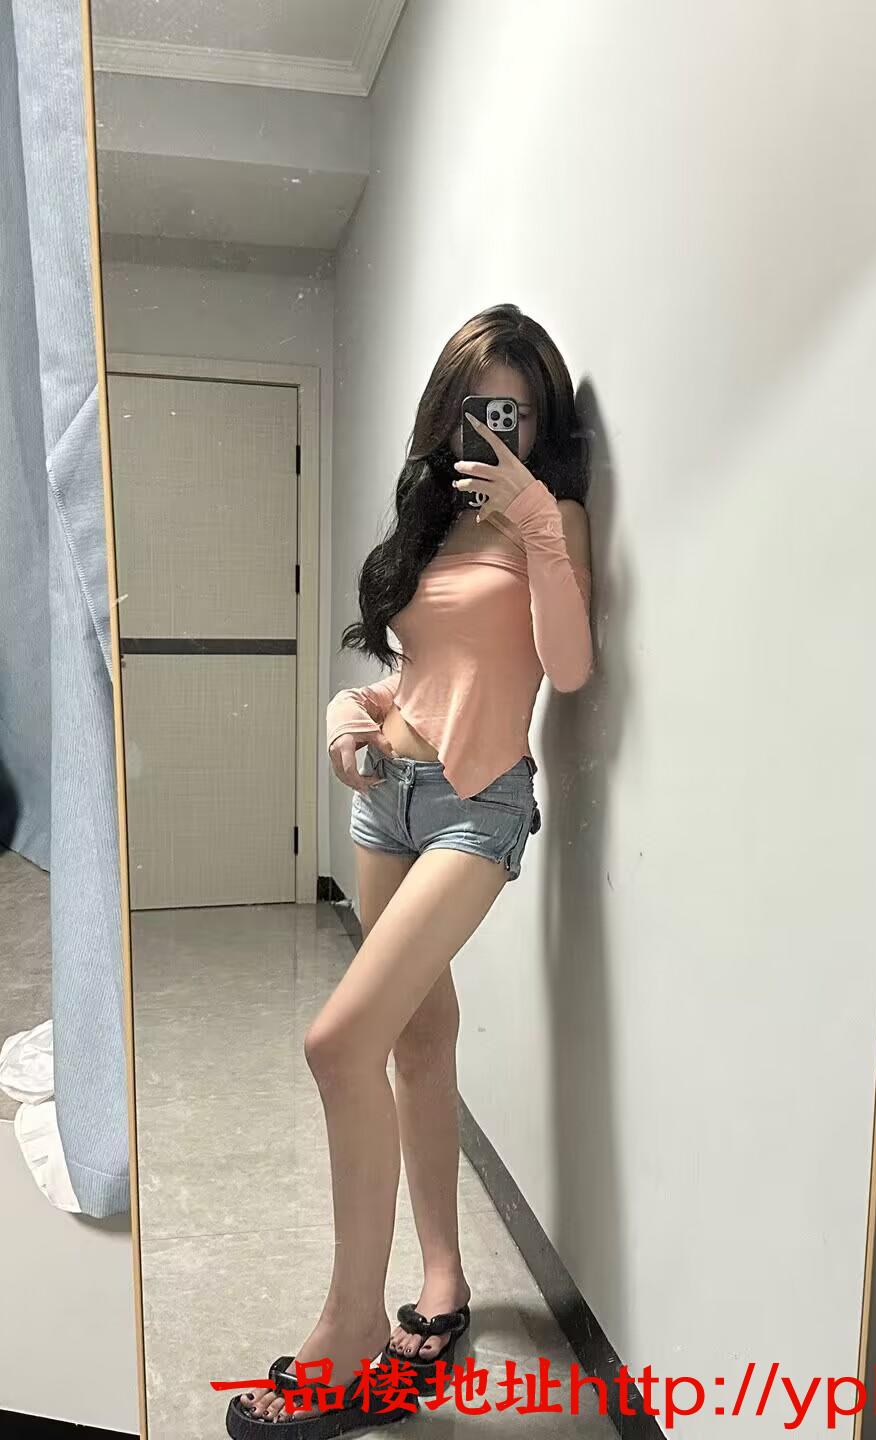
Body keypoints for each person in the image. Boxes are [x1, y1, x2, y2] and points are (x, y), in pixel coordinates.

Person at [230, 304, 593, 1432]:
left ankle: (347, 1333)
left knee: (336, 1040)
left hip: (481, 807)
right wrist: (354, 713)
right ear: (448, 414)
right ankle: (442, 1285)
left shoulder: (550, 518)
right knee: (417, 1044)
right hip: (388, 796)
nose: (495, 430)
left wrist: (537, 526)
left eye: (516, 412)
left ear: (542, 421)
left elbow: (568, 667)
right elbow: (422, 672)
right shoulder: (430, 519)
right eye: (479, 409)